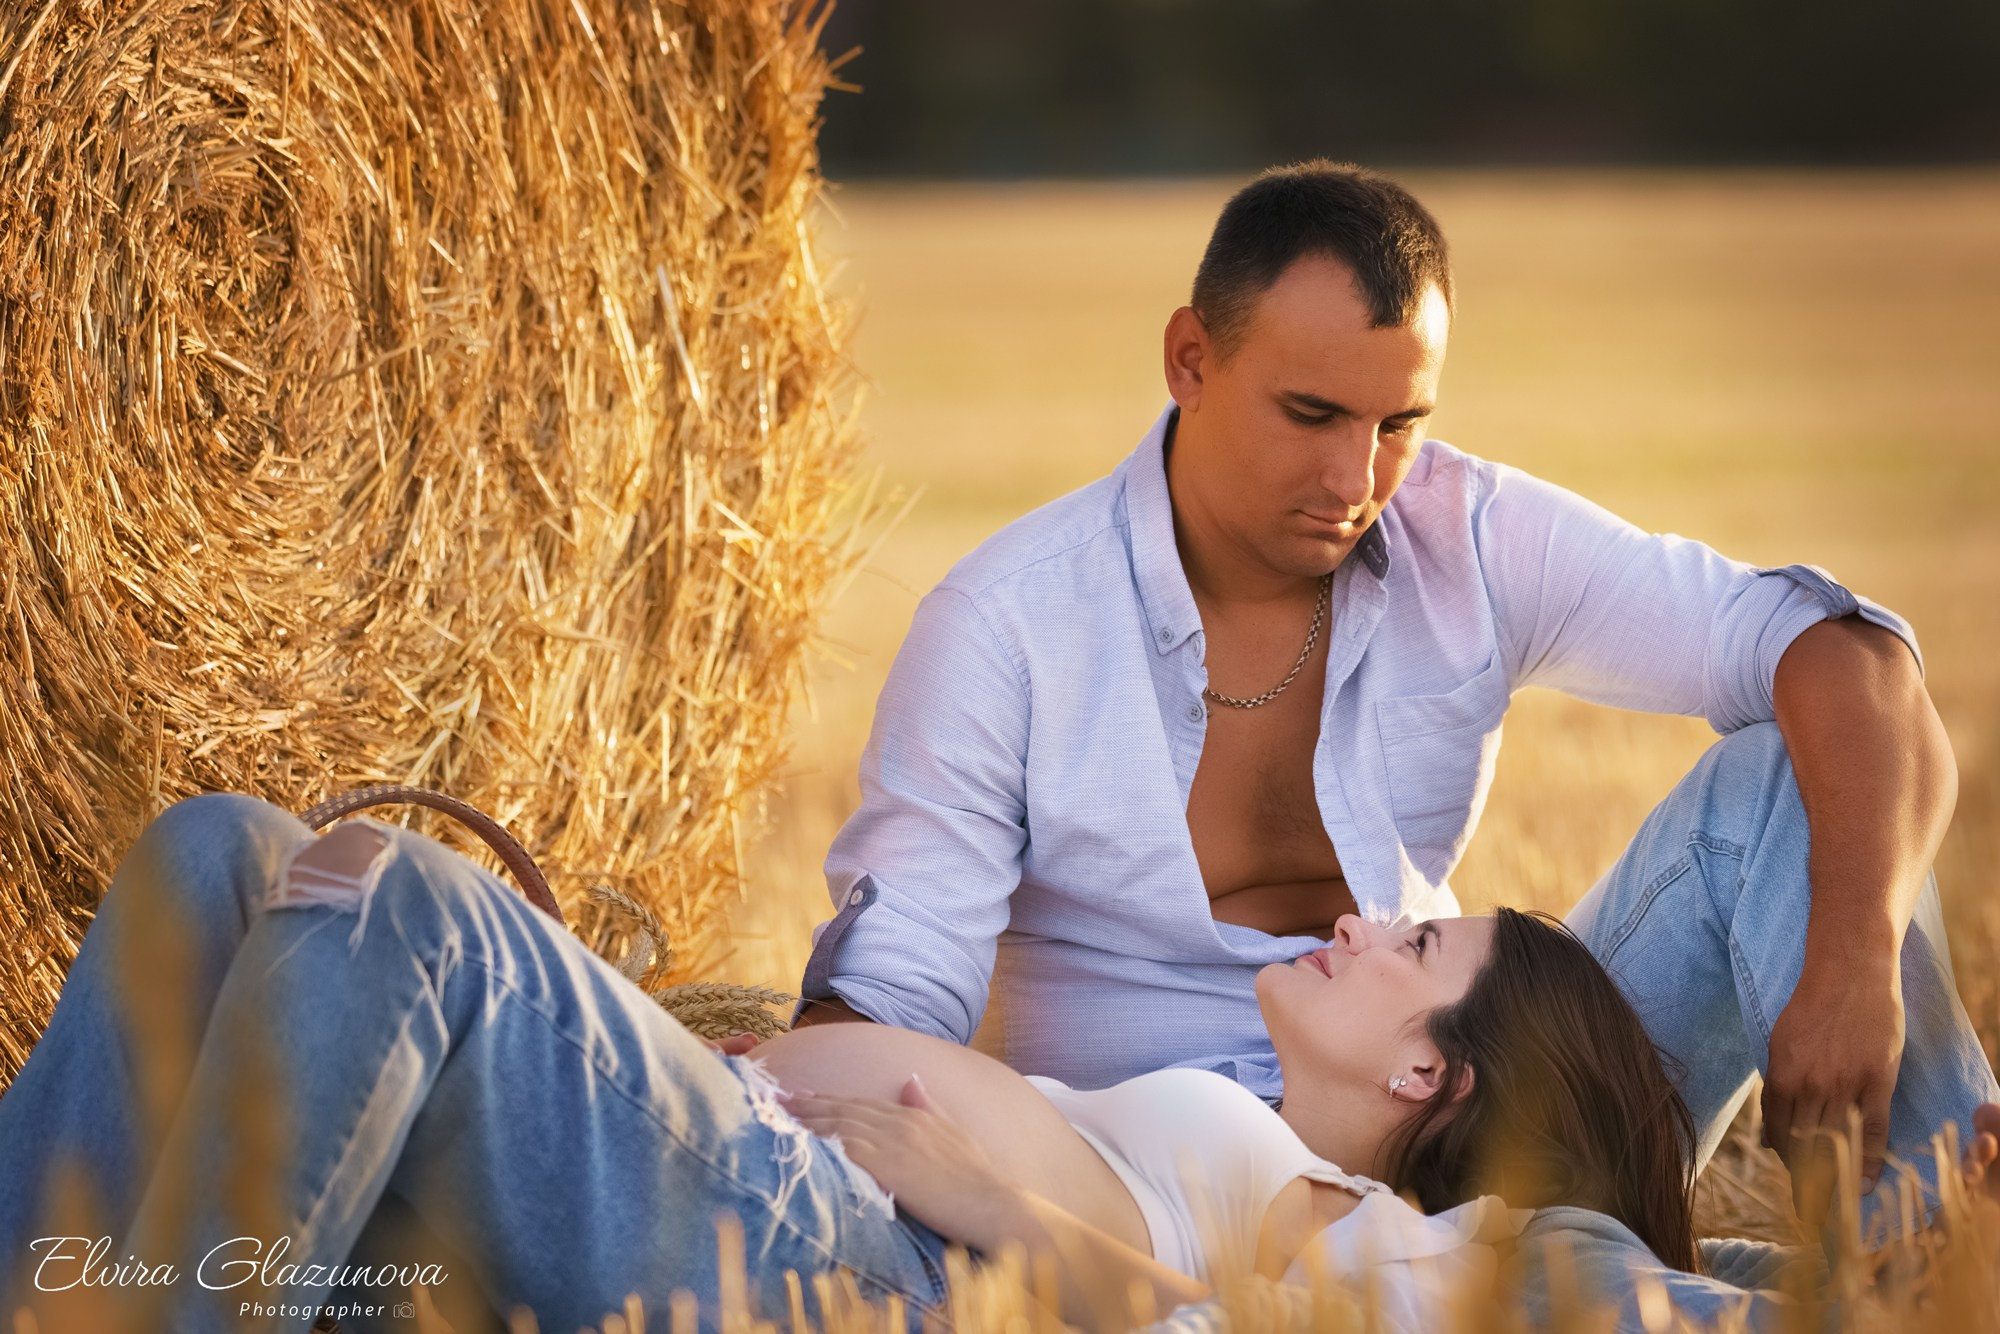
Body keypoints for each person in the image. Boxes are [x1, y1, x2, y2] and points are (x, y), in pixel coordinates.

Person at [788, 160, 2000, 1246]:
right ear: (1189, 359)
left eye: (1398, 425)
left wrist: (1848, 964)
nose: (1354, 479)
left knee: (1786, 781)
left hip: (1466, 1127)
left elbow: (1847, 657)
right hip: (1162, 1187)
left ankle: (1944, 1250)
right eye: (1311, 414)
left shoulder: (1464, 532)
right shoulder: (1006, 623)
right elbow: (893, 993)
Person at [11, 796, 1989, 1333]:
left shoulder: (1422, 1252)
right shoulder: (1232, 1114)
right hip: (693, 1202)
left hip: (838, 1274)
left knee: (418, 922)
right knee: (219, 857)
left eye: (1421, 948)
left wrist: (1030, 1224)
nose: (1378, 917)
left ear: (1428, 1083)